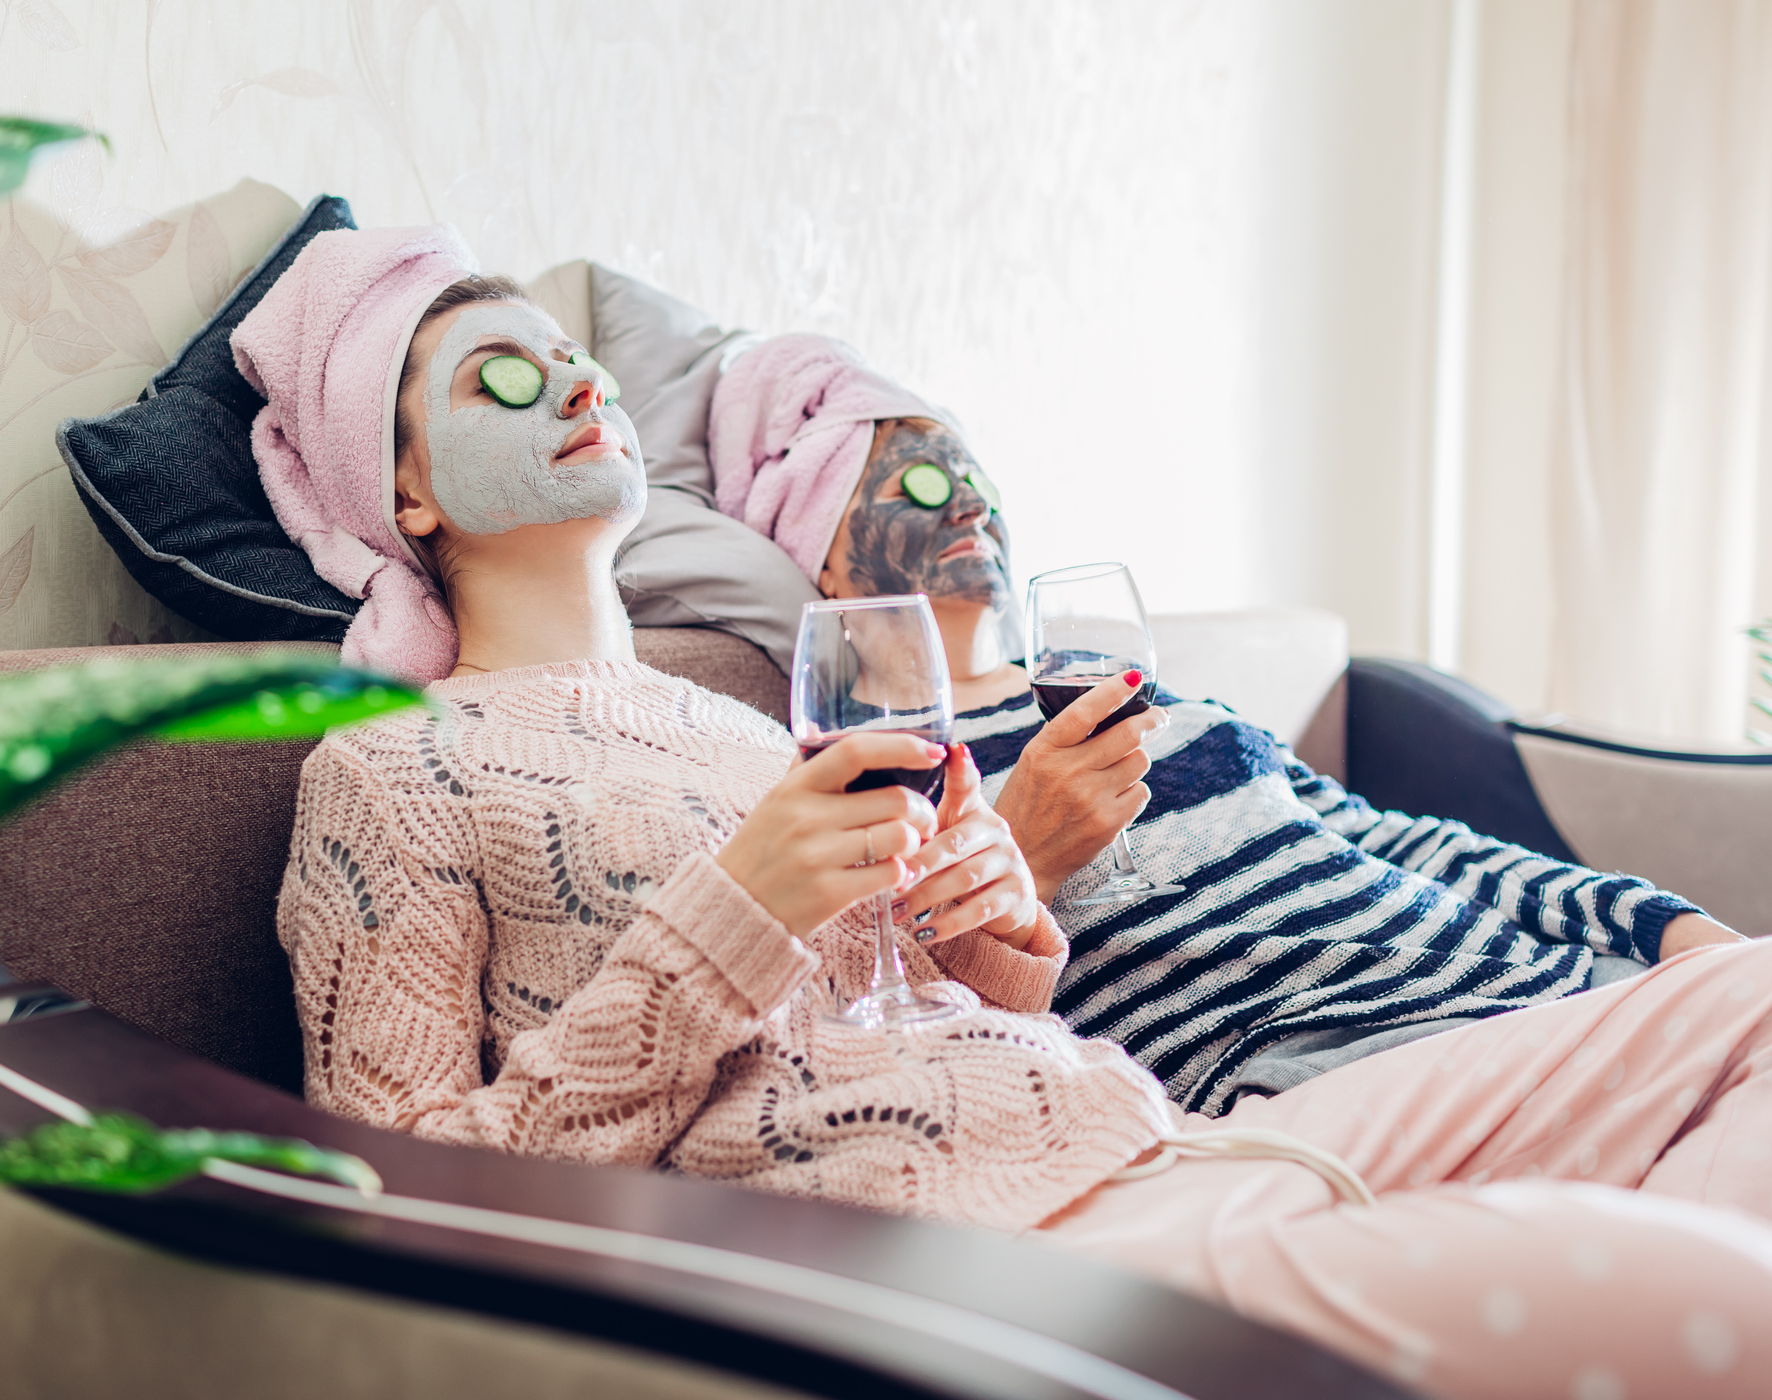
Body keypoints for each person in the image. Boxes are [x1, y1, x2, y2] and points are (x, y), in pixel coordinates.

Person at [239, 227, 1772, 1398]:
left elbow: (891, 1009)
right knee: (1722, 1303)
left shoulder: (747, 721)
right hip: (990, 1252)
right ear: (406, 495)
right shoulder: (386, 772)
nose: (573, 380)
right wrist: (737, 912)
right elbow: (410, 1208)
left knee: (1746, 997)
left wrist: (992, 941)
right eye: (499, 376)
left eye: (572, 355)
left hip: (1153, 1134)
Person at [701, 334, 1748, 1115]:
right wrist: (1020, 853)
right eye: (921, 480)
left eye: (975, 473)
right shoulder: (884, 792)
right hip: (1359, 1083)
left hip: (1568, 998)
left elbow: (1407, 843)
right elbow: (890, 1034)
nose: (967, 500)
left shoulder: (1179, 711)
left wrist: (1665, 930)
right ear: (825, 559)